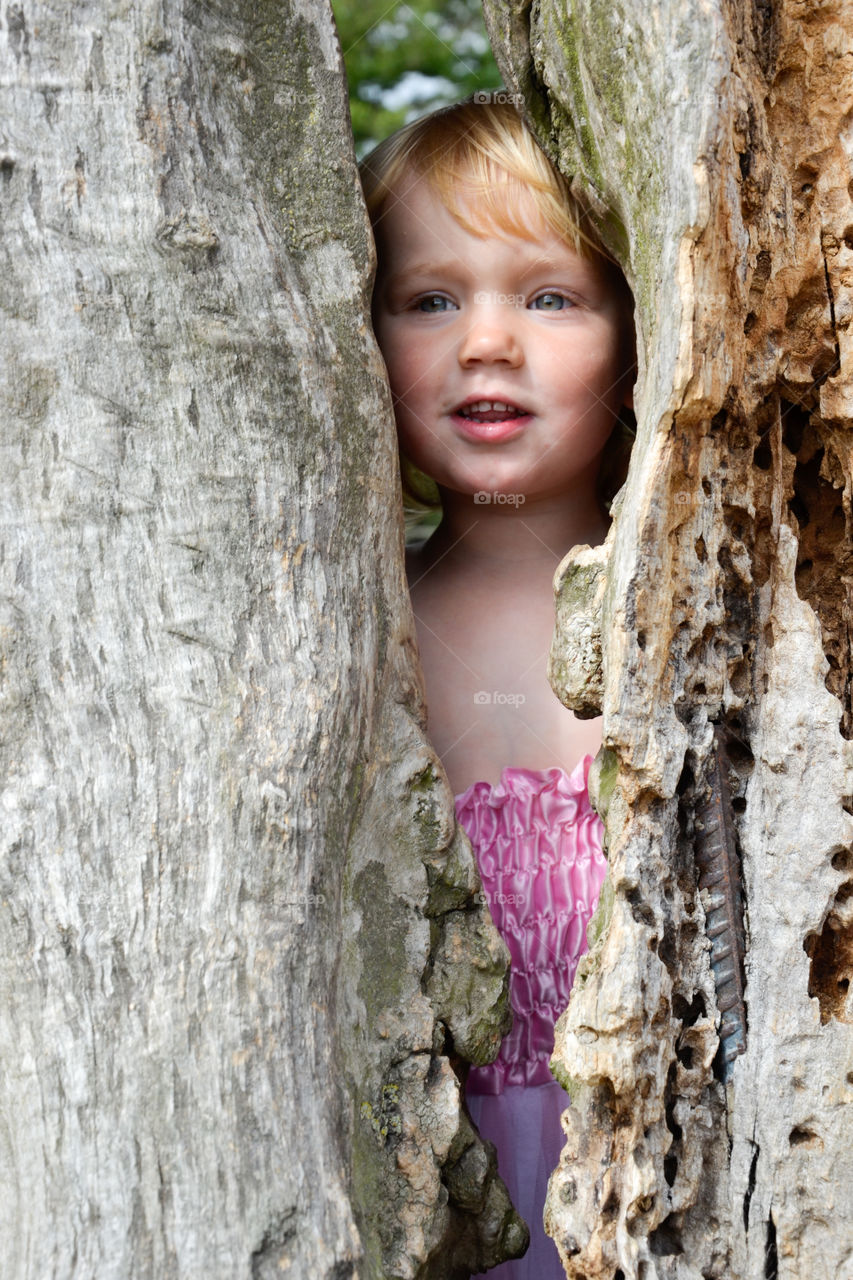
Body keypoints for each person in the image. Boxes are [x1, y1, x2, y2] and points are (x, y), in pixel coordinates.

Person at [360, 96, 635, 1277]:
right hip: (428, 1209)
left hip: (670, 1188)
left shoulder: (705, 615)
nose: (485, 341)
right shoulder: (356, 633)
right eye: (430, 299)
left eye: (548, 296)